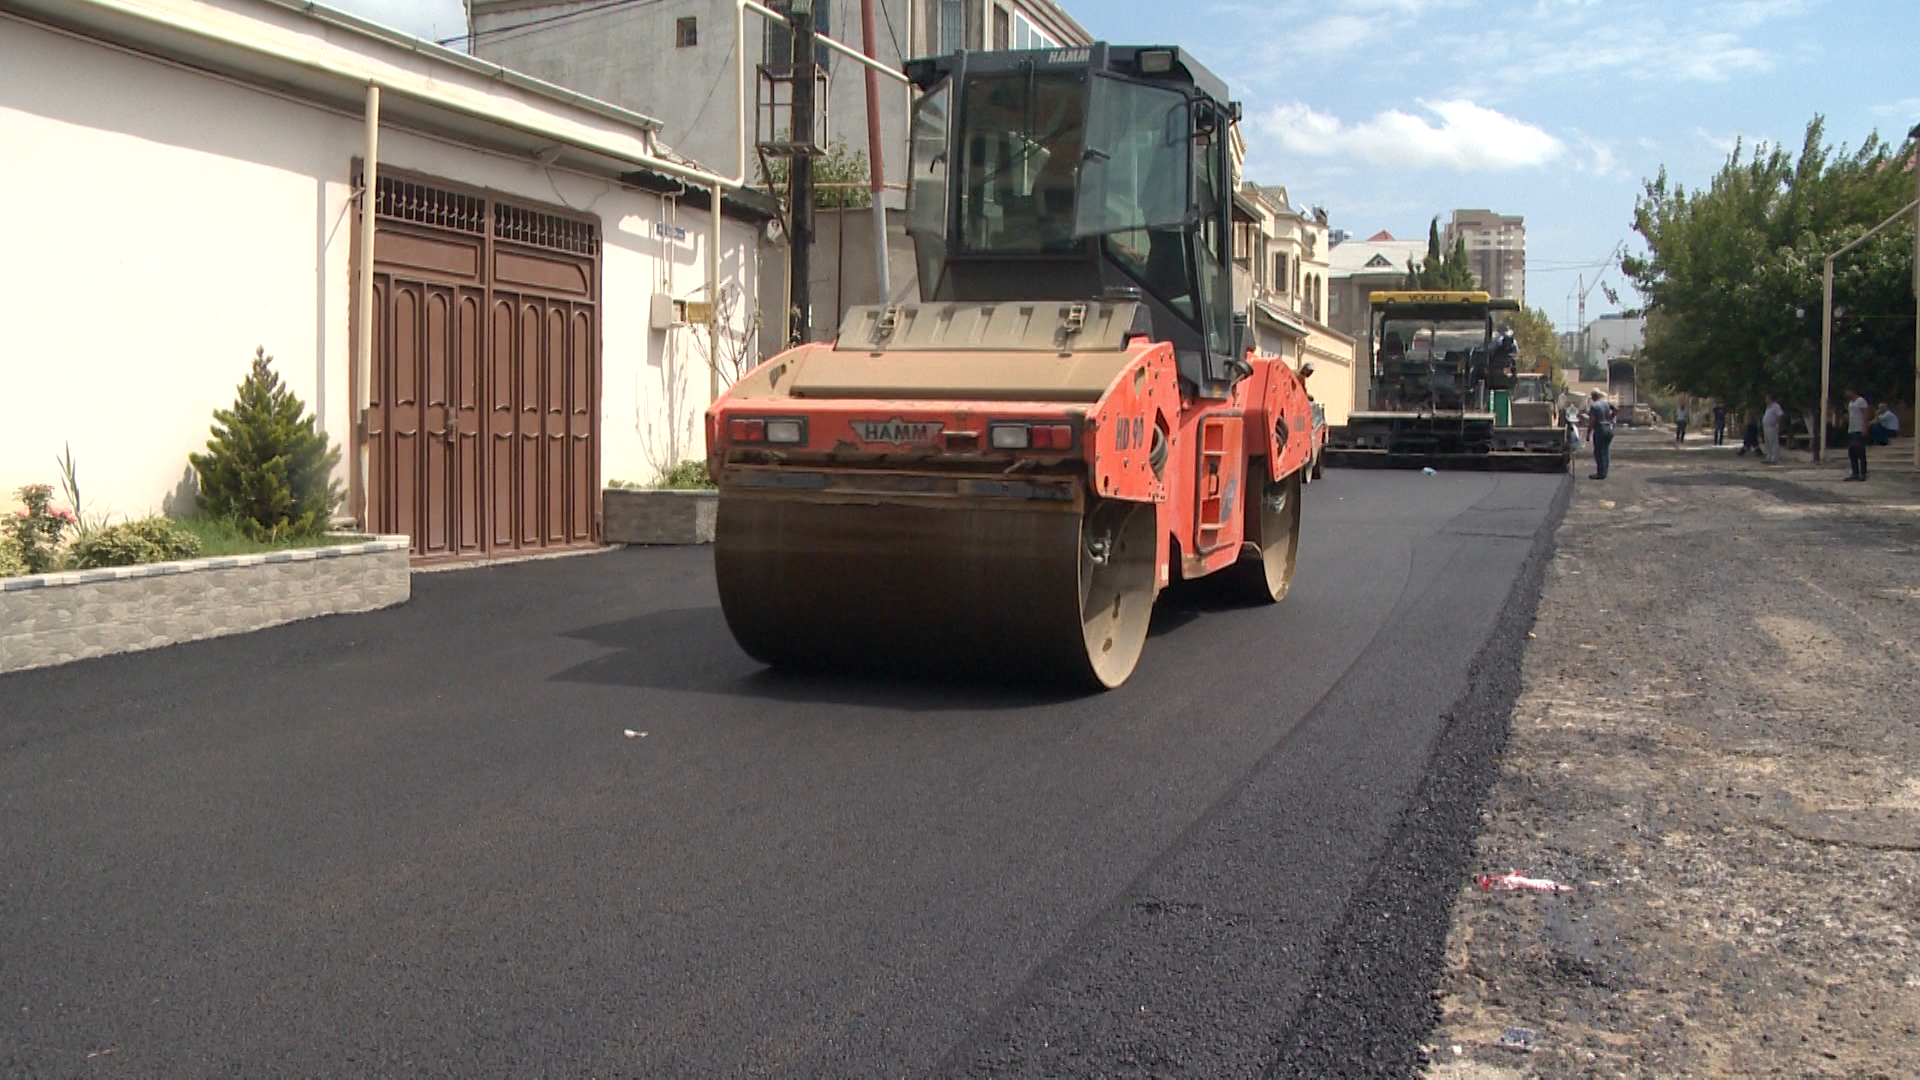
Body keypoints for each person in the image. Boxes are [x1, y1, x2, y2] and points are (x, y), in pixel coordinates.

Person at [1586, 390, 1616, 479]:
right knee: (1606, 450)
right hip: (1609, 429)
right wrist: (1610, 418)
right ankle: (1605, 471)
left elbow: (1592, 421)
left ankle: (1600, 473)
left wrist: (1588, 434)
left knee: (1598, 452)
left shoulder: (1594, 406)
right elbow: (1616, 410)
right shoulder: (1606, 403)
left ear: (1593, 397)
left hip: (1600, 430)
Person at [1844, 387, 1870, 481]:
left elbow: (1866, 414)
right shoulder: (1851, 403)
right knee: (1852, 452)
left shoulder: (1861, 401)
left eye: (1847, 391)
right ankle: (1855, 472)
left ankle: (1863, 473)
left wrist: (1865, 427)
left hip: (1859, 429)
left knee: (1860, 452)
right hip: (1852, 429)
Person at [1762, 394, 1785, 465]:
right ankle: (1769, 456)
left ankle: (1774, 458)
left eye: (1767, 398)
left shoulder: (1776, 406)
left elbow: (1780, 414)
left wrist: (1775, 422)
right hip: (1766, 427)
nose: (1766, 400)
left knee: (1773, 442)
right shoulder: (1768, 407)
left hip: (1772, 427)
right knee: (1768, 442)